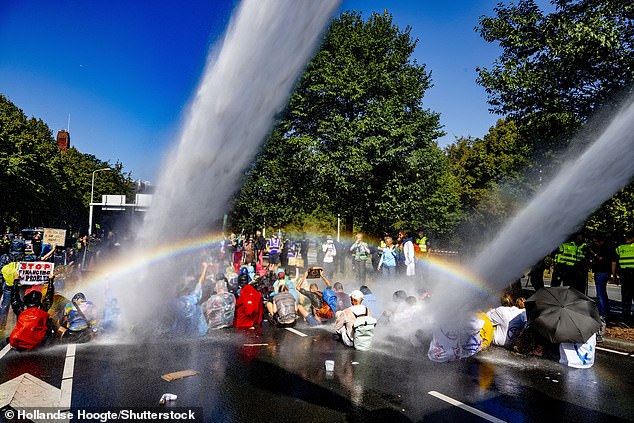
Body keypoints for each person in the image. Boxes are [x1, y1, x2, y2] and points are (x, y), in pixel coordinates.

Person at [8, 275, 56, 350]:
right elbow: (49, 296)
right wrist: (50, 281)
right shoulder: (42, 309)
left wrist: (15, 281)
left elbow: (14, 297)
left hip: (20, 342)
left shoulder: (20, 310)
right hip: (38, 343)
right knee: (50, 322)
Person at [169, 263, 209, 338]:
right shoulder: (194, 297)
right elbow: (201, 282)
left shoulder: (174, 302)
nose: (188, 289)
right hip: (197, 332)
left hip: (180, 333)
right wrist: (205, 268)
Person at [587, 233, 614, 339]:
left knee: (600, 293)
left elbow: (601, 259)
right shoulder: (607, 248)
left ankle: (603, 313)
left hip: (602, 272)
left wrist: (593, 253)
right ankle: (605, 311)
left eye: (596, 241)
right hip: (602, 272)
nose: (595, 244)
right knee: (603, 293)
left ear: (600, 241)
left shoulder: (604, 249)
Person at [612, 230, 634, 326]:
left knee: (626, 298)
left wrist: (614, 275)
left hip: (625, 275)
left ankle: (626, 320)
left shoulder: (619, 248)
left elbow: (614, 263)